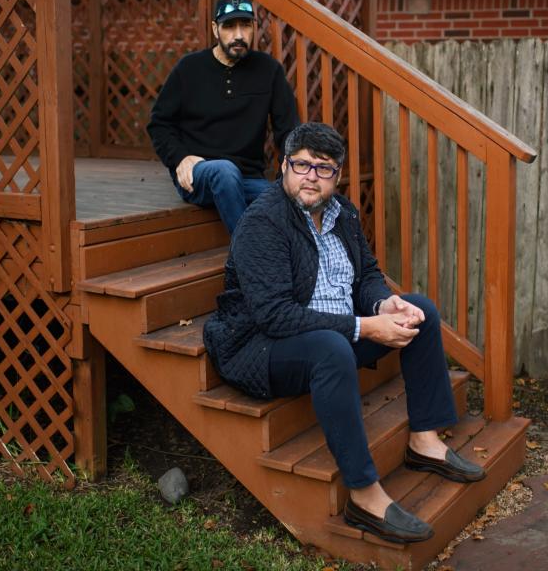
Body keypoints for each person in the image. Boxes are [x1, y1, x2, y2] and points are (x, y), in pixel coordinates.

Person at [203, 122, 485, 544]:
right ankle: (363, 494)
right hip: (260, 347)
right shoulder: (263, 222)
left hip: (334, 333)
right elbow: (275, 316)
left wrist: (382, 305)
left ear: (338, 176)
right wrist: (367, 326)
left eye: (324, 168)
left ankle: (425, 441)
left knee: (419, 310)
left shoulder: (344, 213)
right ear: (283, 166)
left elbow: (367, 275)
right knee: (331, 349)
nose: (311, 176)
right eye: (301, 165)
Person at [147, 0, 299, 234]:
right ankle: (246, 256)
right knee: (224, 170)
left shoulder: (269, 70)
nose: (238, 35)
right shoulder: (189, 68)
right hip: (200, 174)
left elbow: (288, 129)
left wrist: (290, 172)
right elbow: (159, 123)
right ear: (215, 29)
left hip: (249, 178)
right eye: (229, 26)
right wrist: (180, 158)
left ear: (254, 28)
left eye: (245, 25)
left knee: (291, 203)